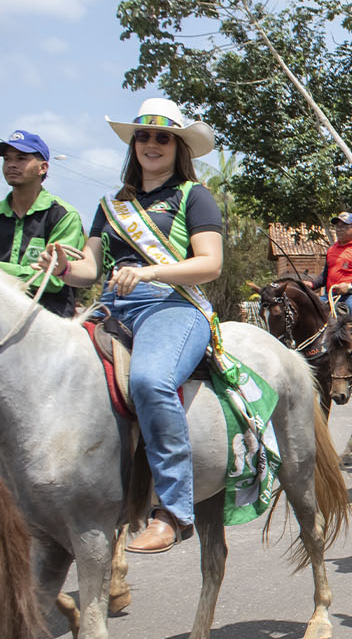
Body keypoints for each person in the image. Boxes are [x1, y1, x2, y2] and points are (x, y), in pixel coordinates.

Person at [37, 98, 224, 553]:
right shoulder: (111, 205)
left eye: (163, 136)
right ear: (133, 144)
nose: (152, 144)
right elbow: (90, 269)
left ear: (177, 146)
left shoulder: (192, 196)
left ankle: (174, 510)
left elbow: (211, 264)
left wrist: (149, 272)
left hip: (174, 304)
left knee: (149, 379)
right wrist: (63, 266)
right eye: (143, 136)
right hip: (111, 306)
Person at [1, 127, 85, 318]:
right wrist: (25, 272)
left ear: (43, 168)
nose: (11, 164)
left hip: (48, 320)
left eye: (21, 158)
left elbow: (54, 279)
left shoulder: (64, 215)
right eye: (7, 159)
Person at [308, 213, 352, 322]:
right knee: (305, 311)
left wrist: (350, 286)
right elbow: (325, 275)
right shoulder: (331, 250)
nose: (339, 230)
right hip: (330, 297)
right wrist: (311, 284)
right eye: (337, 226)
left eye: (344, 226)